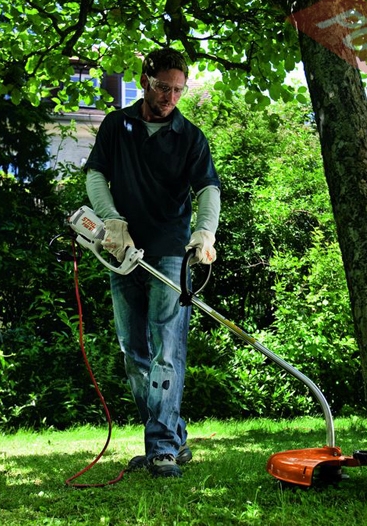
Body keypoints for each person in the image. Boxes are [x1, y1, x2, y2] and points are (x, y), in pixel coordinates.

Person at [84, 48, 221, 478]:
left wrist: (205, 233)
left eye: (179, 90)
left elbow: (208, 189)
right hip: (121, 251)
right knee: (134, 353)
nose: (170, 98)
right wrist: (111, 220)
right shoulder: (116, 125)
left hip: (169, 254)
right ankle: (172, 436)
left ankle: (161, 448)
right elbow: (95, 175)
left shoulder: (190, 137)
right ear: (145, 80)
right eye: (163, 87)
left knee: (167, 351)